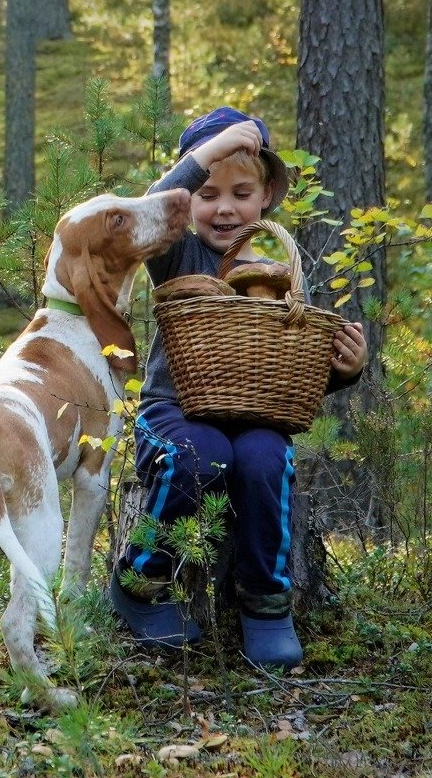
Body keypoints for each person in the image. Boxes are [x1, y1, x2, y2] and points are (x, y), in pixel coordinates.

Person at [109, 107, 368, 669]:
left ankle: (265, 603)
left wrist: (344, 372)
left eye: (241, 193)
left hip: (257, 418)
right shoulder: (179, 252)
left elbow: (287, 374)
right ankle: (140, 583)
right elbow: (144, 211)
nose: (224, 208)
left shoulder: (280, 275)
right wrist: (211, 151)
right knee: (201, 455)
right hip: (174, 410)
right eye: (207, 193)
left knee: (264, 459)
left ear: (267, 195)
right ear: (186, 200)